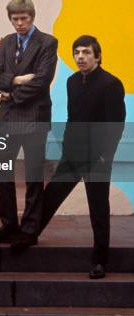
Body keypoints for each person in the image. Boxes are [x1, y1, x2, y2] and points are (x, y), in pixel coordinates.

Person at [39, 35, 126, 279]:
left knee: (98, 208)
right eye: (77, 52)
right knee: (50, 196)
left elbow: (114, 125)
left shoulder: (111, 84)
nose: (80, 57)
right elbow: (72, 117)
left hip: (97, 158)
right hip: (73, 155)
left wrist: (104, 157)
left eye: (86, 52)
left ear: (97, 56)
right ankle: (29, 235)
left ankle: (100, 261)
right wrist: (67, 148)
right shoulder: (72, 82)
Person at [0, 0, 58, 249]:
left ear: (32, 17)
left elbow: (42, 79)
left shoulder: (47, 42)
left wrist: (12, 93)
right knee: (1, 171)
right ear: (10, 19)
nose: (20, 23)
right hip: (9, 118)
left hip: (34, 118)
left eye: (24, 18)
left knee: (34, 175)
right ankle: (9, 224)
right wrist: (17, 80)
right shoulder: (7, 42)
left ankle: (30, 229)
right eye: (15, 19)